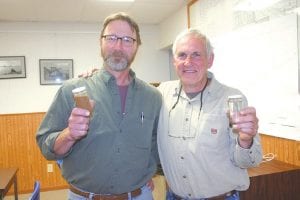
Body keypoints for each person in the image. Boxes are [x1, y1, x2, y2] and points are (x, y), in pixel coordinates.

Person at [36, 12, 162, 200]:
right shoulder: (72, 90)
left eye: (127, 39)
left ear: (137, 47)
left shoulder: (153, 96)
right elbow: (46, 147)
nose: (118, 46)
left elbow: (155, 144)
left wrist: (147, 173)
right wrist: (69, 134)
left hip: (139, 195)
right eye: (111, 38)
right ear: (100, 42)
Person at [157, 28, 262, 200]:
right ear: (174, 61)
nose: (188, 62)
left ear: (210, 60)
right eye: (182, 55)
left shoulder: (231, 99)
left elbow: (250, 161)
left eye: (196, 54)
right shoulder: (161, 94)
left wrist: (245, 140)